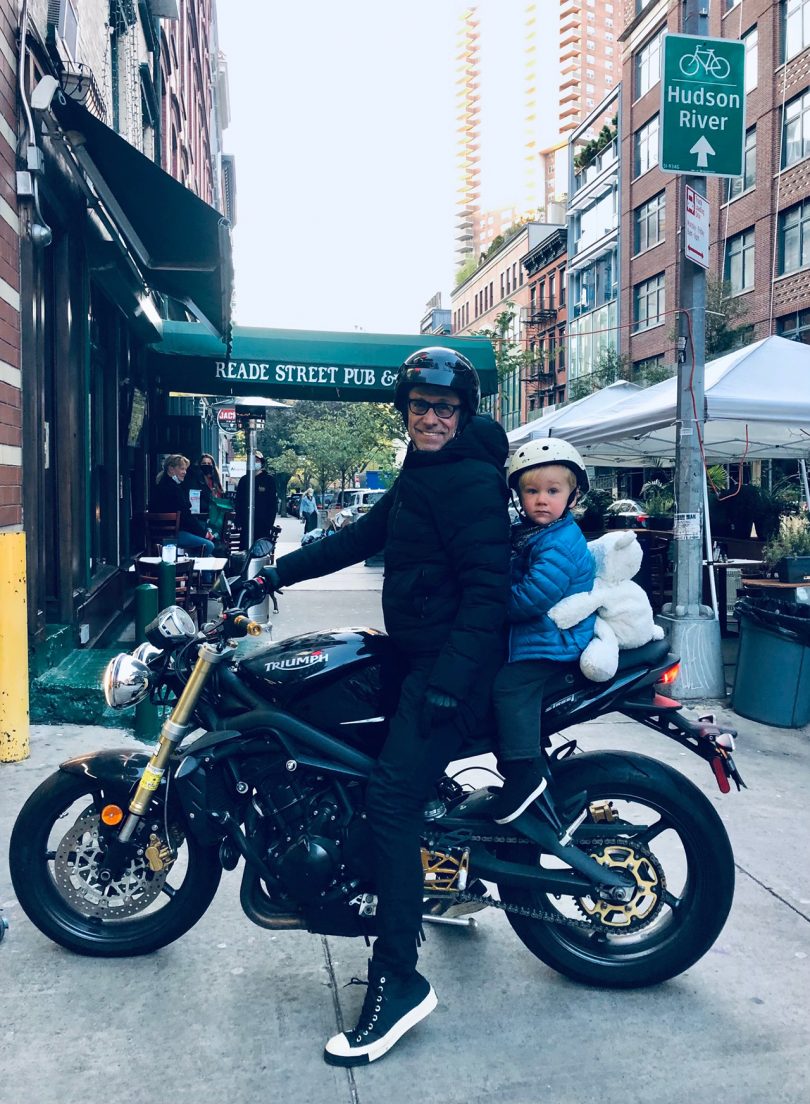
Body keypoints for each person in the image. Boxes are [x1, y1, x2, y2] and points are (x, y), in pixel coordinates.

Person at [263, 347, 510, 1067]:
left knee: (392, 800)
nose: (430, 418)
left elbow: (486, 598)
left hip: (452, 672)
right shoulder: (421, 472)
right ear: (404, 411)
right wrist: (273, 570)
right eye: (419, 407)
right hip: (419, 656)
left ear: (462, 415)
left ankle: (398, 979)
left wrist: (443, 685)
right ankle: (425, 880)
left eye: (443, 409)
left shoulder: (467, 480)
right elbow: (357, 539)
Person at [489, 438, 596, 828]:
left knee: (510, 687)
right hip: (538, 635)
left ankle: (524, 772)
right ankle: (528, 762)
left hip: (553, 640)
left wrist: (490, 605)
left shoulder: (560, 542)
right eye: (531, 491)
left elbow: (532, 598)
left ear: (572, 494)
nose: (541, 500)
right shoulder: (531, 533)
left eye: (553, 491)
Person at [150, 454, 215, 555]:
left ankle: (192, 567)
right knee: (209, 545)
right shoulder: (175, 489)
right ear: (171, 469)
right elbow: (186, 516)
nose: (185, 472)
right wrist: (204, 533)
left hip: (158, 534)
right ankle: (193, 568)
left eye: (185, 469)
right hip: (174, 535)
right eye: (182, 469)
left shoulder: (160, 486)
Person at [235, 451, 278, 549]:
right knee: (245, 552)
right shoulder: (244, 480)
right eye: (252, 460)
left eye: (257, 460)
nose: (254, 462)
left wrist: (268, 524)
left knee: (259, 553)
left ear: (262, 462)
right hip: (246, 525)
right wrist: (238, 521)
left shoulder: (269, 480)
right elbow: (238, 502)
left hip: (262, 526)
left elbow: (272, 505)